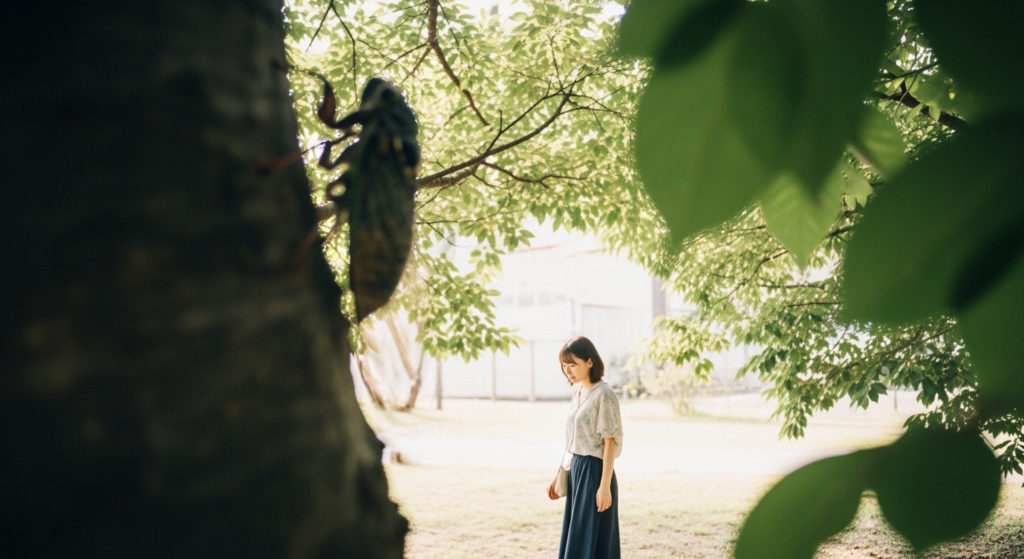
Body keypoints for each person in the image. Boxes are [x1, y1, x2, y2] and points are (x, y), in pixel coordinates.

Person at [547, 336, 622, 559]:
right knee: (578, 537)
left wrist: (604, 486)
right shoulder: (579, 393)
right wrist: (559, 474)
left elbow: (610, 442)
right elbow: (572, 441)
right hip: (577, 470)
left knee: (593, 539)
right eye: (564, 364)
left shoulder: (604, 395)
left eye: (573, 364)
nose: (567, 370)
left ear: (590, 362)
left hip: (595, 472)